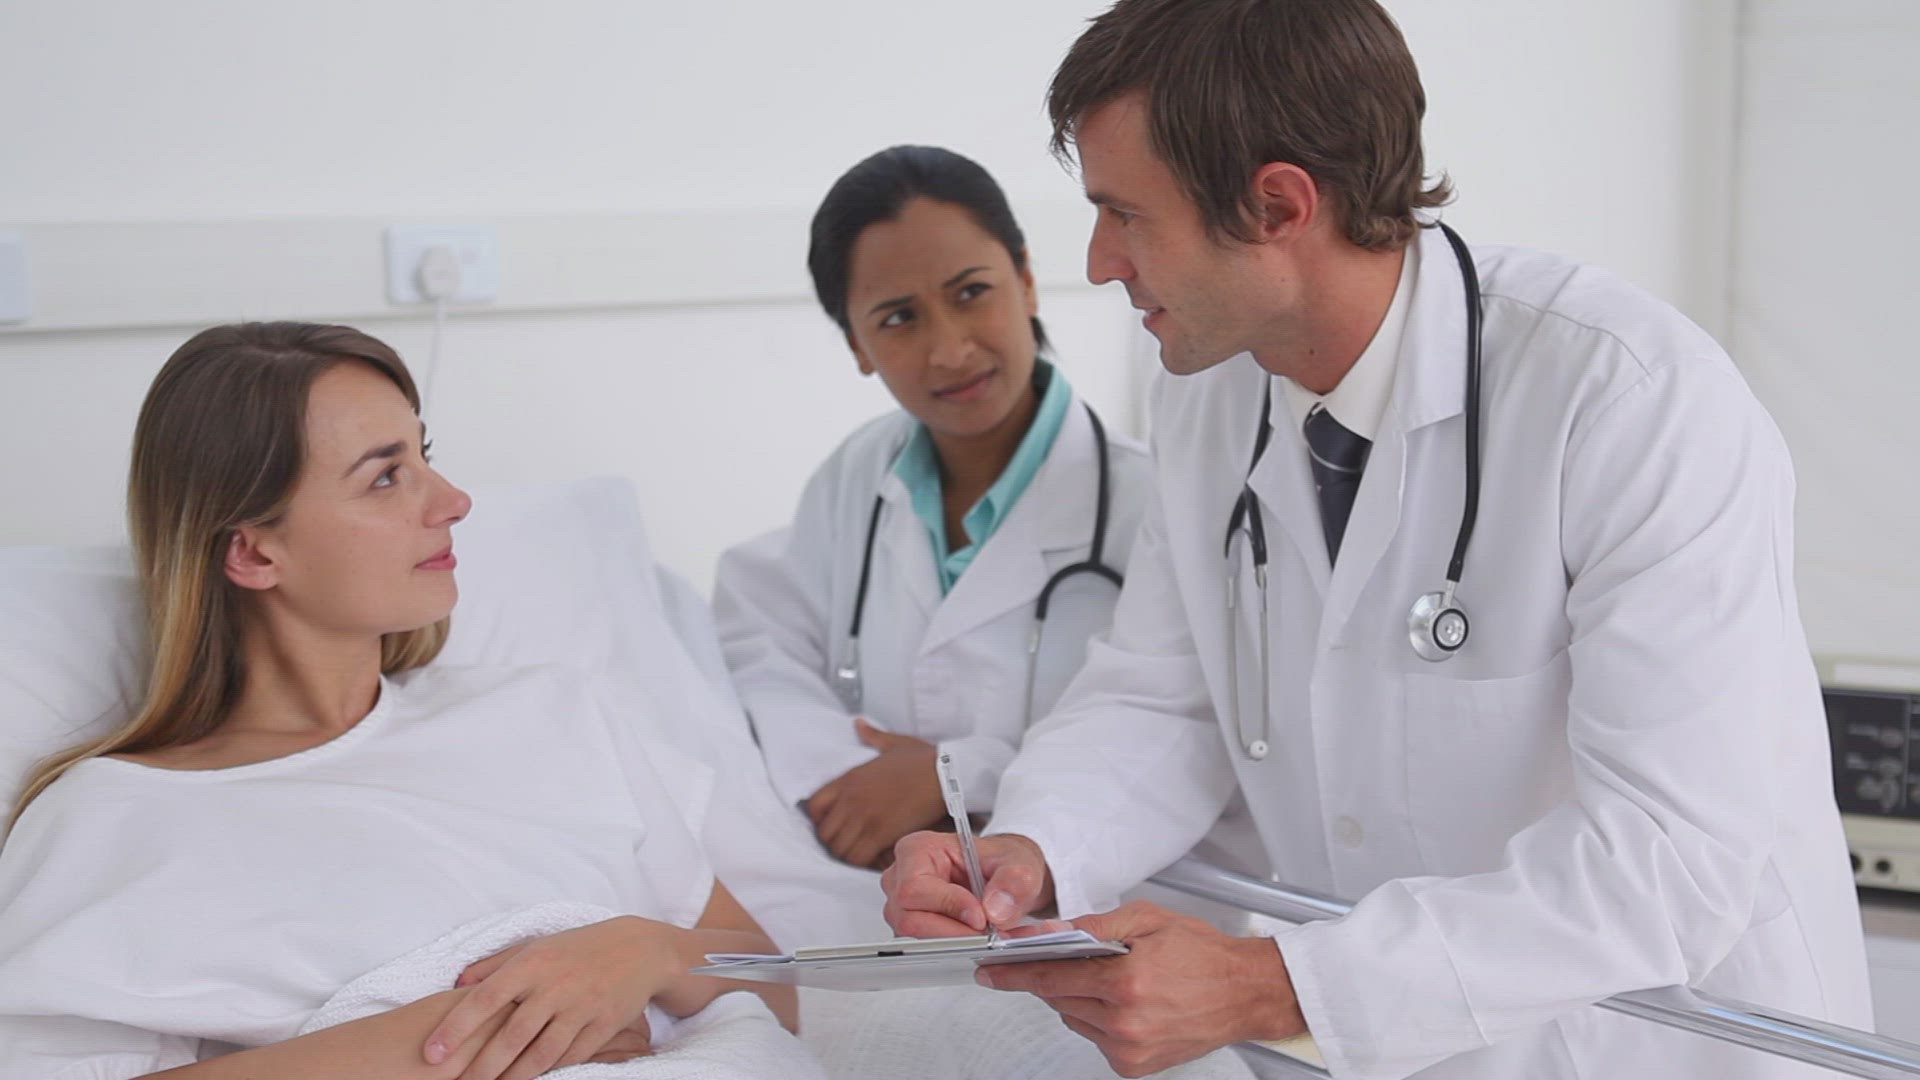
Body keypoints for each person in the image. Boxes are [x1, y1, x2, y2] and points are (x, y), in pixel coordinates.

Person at [879, 2, 1873, 1078]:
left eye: (1125, 214)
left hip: (1660, 1048)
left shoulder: (1631, 401)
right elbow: (1163, 698)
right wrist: (1029, 854)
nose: (1100, 260)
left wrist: (1273, 984)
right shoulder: (1209, 398)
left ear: (1278, 205)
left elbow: (1673, 862)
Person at [0, 323, 800, 1080]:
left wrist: (648, 953)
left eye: (425, 455)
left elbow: (781, 986)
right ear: (253, 552)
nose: (453, 500)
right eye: (385, 476)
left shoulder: (553, 713)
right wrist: (448, 1040)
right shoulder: (116, 817)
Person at [713, 145, 1154, 875]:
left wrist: (954, 775)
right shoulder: (860, 473)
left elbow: (1169, 738)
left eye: (971, 292)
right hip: (883, 888)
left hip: (1102, 902)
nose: (950, 350)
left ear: (1026, 281)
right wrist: (849, 777)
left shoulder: (1149, 504)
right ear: (857, 345)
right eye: (898, 318)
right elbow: (760, 644)